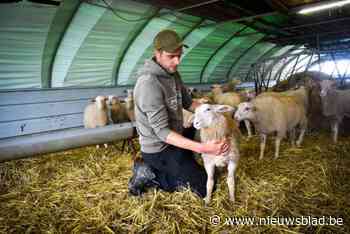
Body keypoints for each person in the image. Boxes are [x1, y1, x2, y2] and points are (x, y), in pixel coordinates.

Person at [128, 29, 230, 198]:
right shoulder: (149, 84)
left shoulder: (172, 74)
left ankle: (182, 161)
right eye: (171, 56)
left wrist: (212, 113)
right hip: (159, 148)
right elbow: (161, 132)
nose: (177, 61)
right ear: (158, 53)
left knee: (197, 132)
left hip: (176, 135)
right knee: (204, 187)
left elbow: (189, 103)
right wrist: (203, 148)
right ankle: (148, 173)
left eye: (179, 55)